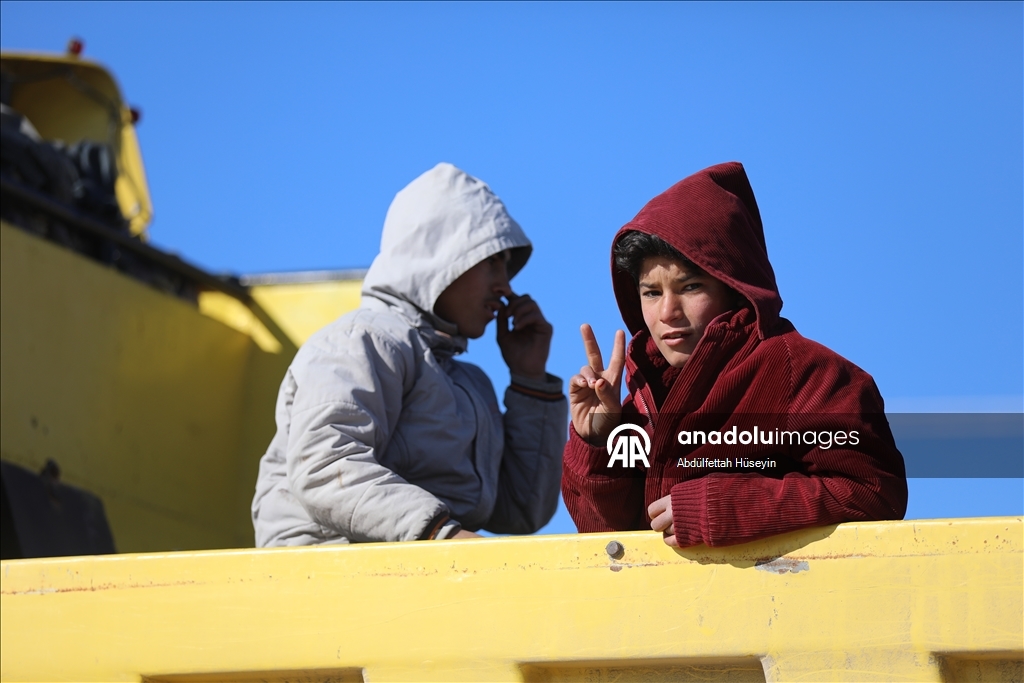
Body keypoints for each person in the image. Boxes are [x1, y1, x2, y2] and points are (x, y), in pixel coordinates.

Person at [563, 162, 907, 548]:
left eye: (690, 287)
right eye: (651, 293)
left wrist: (721, 508)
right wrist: (598, 439)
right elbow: (606, 537)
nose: (667, 313)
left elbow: (875, 492)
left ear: (733, 285)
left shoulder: (807, 374)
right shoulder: (641, 402)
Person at [253, 163, 566, 546]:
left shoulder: (468, 383)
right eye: (491, 261)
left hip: (420, 583)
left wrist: (530, 381)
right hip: (322, 581)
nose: (505, 285)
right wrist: (439, 535)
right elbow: (324, 465)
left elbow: (521, 509)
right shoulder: (365, 339)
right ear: (443, 256)